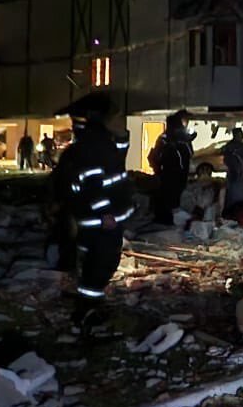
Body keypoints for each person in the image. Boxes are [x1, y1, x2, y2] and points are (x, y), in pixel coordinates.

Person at [51, 93, 133, 329]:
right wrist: (105, 213)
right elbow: (91, 181)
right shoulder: (92, 145)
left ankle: (89, 303)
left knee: (97, 262)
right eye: (115, 116)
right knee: (100, 263)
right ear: (100, 118)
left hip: (101, 218)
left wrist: (122, 136)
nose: (120, 119)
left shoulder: (100, 140)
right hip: (100, 220)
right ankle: (88, 311)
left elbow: (117, 158)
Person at [153, 111, 194, 224]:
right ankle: (166, 219)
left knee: (175, 196)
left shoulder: (183, 138)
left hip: (180, 174)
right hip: (169, 174)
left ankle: (172, 218)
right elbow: (154, 156)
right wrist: (158, 171)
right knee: (169, 197)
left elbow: (190, 153)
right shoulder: (165, 139)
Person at [222, 127, 243, 210]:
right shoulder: (230, 146)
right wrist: (234, 168)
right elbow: (227, 160)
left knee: (240, 191)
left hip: (241, 173)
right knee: (233, 192)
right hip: (234, 174)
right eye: (238, 135)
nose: (240, 136)